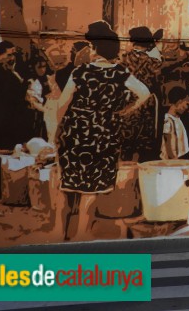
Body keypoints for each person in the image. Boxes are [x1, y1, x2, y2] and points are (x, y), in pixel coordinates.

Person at [54, 21, 149, 241]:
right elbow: (144, 93)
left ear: (94, 48)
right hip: (104, 134)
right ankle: (82, 236)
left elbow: (62, 105)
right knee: (91, 190)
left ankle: (60, 235)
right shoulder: (121, 73)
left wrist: (59, 130)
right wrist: (125, 111)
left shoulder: (81, 72)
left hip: (75, 132)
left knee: (67, 186)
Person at [120, 27, 165, 161]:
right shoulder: (154, 63)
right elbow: (158, 82)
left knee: (127, 139)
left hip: (128, 100)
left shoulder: (123, 60)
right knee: (147, 143)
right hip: (148, 102)